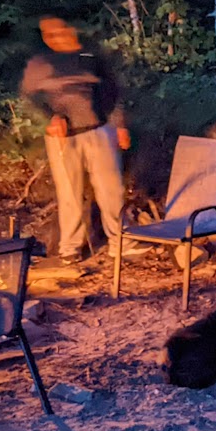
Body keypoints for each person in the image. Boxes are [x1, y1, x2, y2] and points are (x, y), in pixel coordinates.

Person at [19, 15, 132, 267]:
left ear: (70, 29)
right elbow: (30, 100)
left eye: (58, 31)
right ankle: (70, 247)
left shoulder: (91, 57)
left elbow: (114, 93)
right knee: (69, 193)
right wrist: (49, 118)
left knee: (111, 190)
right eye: (48, 34)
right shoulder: (40, 64)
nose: (54, 38)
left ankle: (120, 242)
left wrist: (120, 126)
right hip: (62, 138)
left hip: (99, 130)